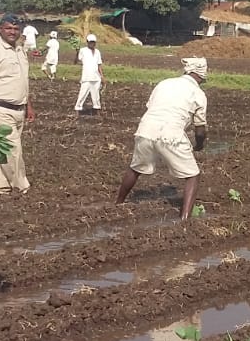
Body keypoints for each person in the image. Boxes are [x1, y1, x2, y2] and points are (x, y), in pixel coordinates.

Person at [116, 57, 209, 219]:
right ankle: (185, 219)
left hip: (145, 129)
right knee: (193, 175)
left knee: (135, 168)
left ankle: (118, 203)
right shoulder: (198, 94)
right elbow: (200, 131)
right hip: (171, 134)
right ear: (201, 76)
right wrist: (199, 145)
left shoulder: (164, 83)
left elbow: (151, 107)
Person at [0, 13, 35, 196]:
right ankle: (21, 186)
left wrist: (28, 105)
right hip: (1, 108)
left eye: (16, 29)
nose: (12, 32)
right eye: (9, 28)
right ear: (0, 29)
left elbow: (22, 80)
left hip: (19, 108)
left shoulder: (19, 50)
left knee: (2, 151)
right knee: (12, 150)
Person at [74, 33, 105, 114]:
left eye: (93, 42)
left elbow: (99, 65)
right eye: (90, 42)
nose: (92, 43)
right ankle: (78, 109)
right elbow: (76, 61)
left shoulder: (97, 52)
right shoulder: (83, 50)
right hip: (86, 76)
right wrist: (77, 52)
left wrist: (102, 76)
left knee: (96, 96)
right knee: (82, 94)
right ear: (87, 42)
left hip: (96, 77)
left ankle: (97, 110)